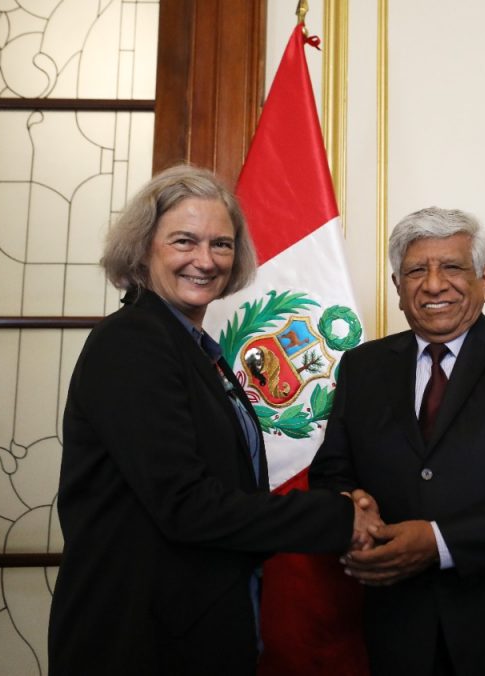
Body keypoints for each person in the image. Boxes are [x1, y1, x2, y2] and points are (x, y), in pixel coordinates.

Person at [48, 165, 379, 676]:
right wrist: (337, 518)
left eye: (221, 245)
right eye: (185, 241)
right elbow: (186, 505)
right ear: (143, 248)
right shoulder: (133, 342)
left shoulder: (195, 350)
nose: (205, 261)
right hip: (137, 641)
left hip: (196, 629)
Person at [308, 207, 485, 675]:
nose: (434, 284)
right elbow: (331, 472)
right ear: (398, 288)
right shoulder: (363, 366)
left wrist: (439, 541)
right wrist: (351, 505)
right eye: (416, 270)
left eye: (453, 267)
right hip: (401, 631)